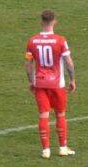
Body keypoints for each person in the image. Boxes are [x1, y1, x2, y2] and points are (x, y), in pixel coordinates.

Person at [25, 9, 76, 158]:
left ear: (41, 22)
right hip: (57, 84)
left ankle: (45, 150)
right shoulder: (60, 40)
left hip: (40, 83)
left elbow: (28, 64)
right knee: (60, 114)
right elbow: (68, 62)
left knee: (43, 115)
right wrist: (72, 79)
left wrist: (30, 81)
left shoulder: (32, 41)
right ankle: (62, 147)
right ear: (54, 22)